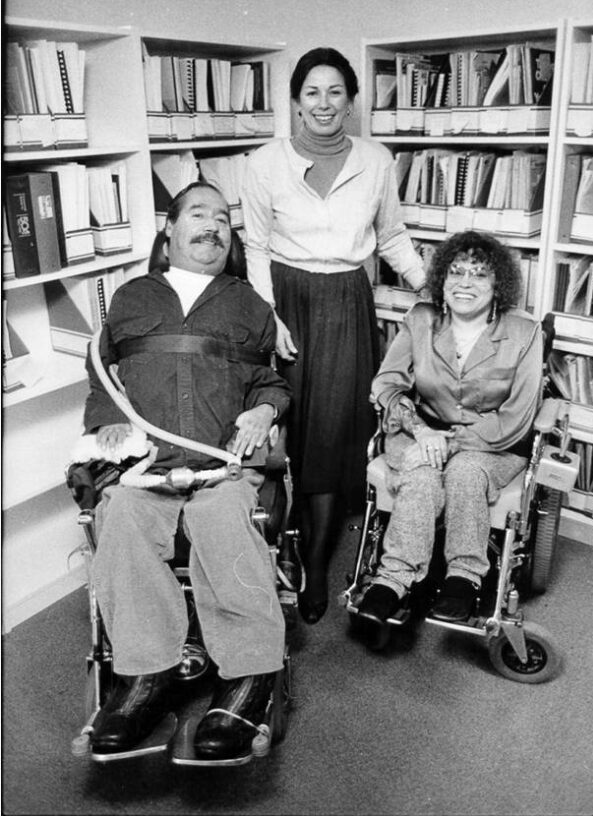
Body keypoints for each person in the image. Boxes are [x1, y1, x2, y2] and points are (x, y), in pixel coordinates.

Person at [83, 181, 291, 763]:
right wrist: (107, 422)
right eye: (199, 214)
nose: (213, 226)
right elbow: (101, 374)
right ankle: (146, 677)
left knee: (222, 517)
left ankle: (247, 678)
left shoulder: (250, 304)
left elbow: (270, 379)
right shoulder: (131, 298)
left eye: (223, 219)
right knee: (121, 516)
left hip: (222, 469)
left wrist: (264, 409)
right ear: (169, 230)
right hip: (147, 471)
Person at [241, 47, 426, 625]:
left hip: (347, 299)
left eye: (335, 92)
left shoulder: (376, 160)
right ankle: (285, 536)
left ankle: (316, 560)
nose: (323, 104)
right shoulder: (264, 162)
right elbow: (255, 246)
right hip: (285, 296)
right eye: (311, 93)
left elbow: (391, 237)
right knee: (287, 422)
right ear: (296, 103)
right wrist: (270, 317)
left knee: (327, 431)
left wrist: (433, 286)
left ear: (351, 102)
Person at [358, 230, 543, 625]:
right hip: (424, 432)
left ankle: (464, 577)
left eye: (479, 274)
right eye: (456, 272)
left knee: (464, 471)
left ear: (498, 286)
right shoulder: (421, 320)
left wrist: (452, 442)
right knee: (422, 472)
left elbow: (516, 416)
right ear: (442, 279)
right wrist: (422, 431)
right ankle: (393, 580)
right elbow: (386, 384)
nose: (464, 283)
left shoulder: (524, 332)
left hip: (494, 442)